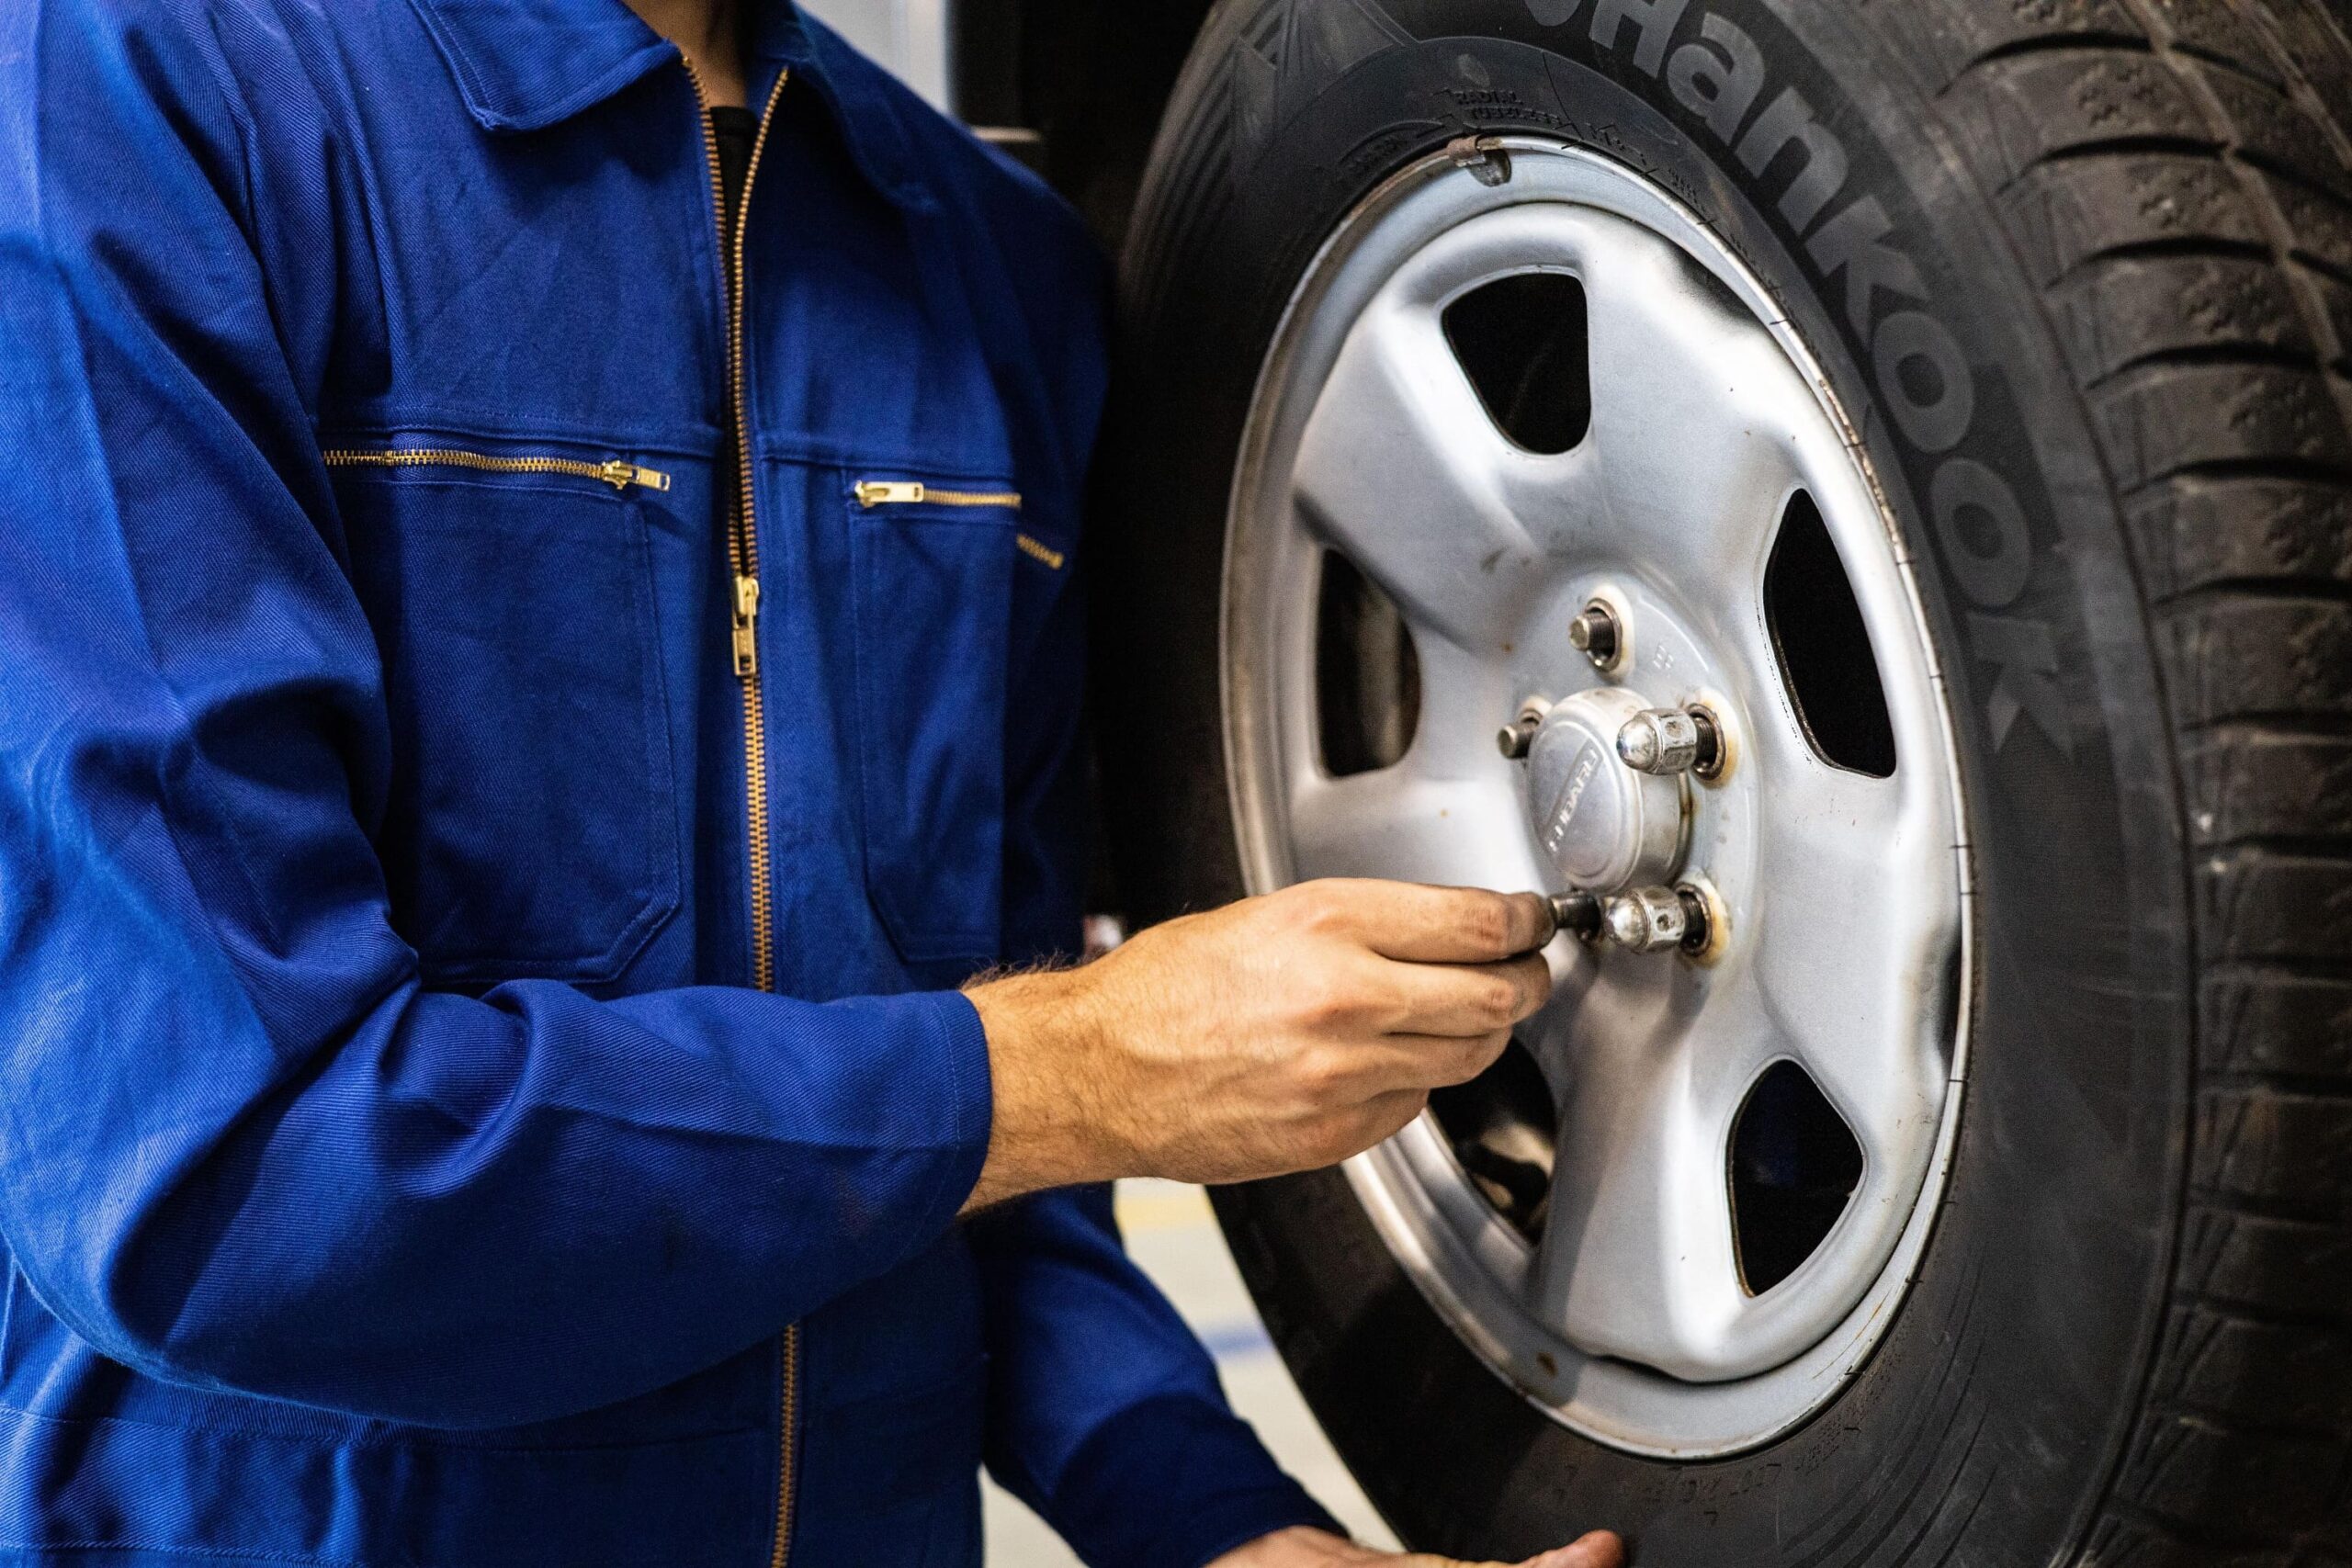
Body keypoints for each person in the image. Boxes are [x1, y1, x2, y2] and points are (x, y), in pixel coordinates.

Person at [0, 0, 1624, 1563]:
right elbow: (222, 1178)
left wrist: (1202, 1518)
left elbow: (994, 1162)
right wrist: (1062, 1074)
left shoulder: (990, 261)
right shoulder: (132, 93)